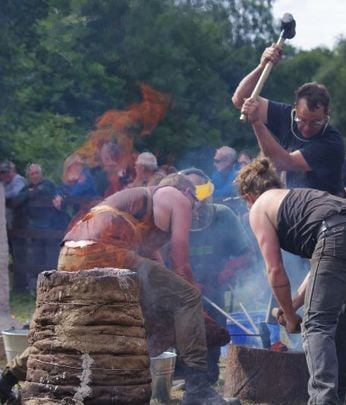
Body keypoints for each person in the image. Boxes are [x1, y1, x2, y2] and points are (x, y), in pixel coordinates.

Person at [0, 174, 230, 405]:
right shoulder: (177, 195)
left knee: (75, 327)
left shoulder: (142, 210)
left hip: (71, 254)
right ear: (187, 191)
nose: (196, 209)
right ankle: (197, 389)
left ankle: (7, 378)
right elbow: (181, 259)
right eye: (197, 200)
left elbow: (158, 270)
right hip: (105, 250)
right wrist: (192, 296)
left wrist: (187, 309)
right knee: (188, 296)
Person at [236, 158, 346, 404]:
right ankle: (342, 388)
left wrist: (290, 316)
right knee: (342, 312)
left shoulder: (259, 207)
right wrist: (293, 306)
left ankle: (322, 399)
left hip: (339, 235)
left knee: (317, 324)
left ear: (247, 195)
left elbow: (275, 270)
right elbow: (323, 262)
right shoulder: (298, 196)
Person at [232, 46, 345, 197]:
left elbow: (282, 162)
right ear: (295, 110)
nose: (306, 128)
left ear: (327, 115)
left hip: (324, 207)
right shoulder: (285, 116)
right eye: (301, 120)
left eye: (315, 123)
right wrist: (262, 66)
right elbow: (240, 99)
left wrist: (257, 123)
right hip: (293, 203)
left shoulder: (331, 142)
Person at [181, 168, 254, 385]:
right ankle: (186, 371)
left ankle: (208, 373)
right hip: (183, 285)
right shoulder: (174, 216)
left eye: (203, 197)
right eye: (194, 197)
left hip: (215, 284)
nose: (199, 203)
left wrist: (228, 270)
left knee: (213, 327)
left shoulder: (223, 215)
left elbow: (247, 253)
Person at [11, 164, 58, 290]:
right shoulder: (27, 188)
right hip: (33, 229)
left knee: (51, 258)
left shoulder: (48, 184)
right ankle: (38, 287)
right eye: (32, 174)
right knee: (36, 257)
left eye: (37, 173)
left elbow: (52, 192)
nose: (35, 176)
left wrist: (34, 192)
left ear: (41, 173)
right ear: (29, 176)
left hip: (51, 228)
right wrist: (29, 193)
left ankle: (53, 286)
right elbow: (16, 201)